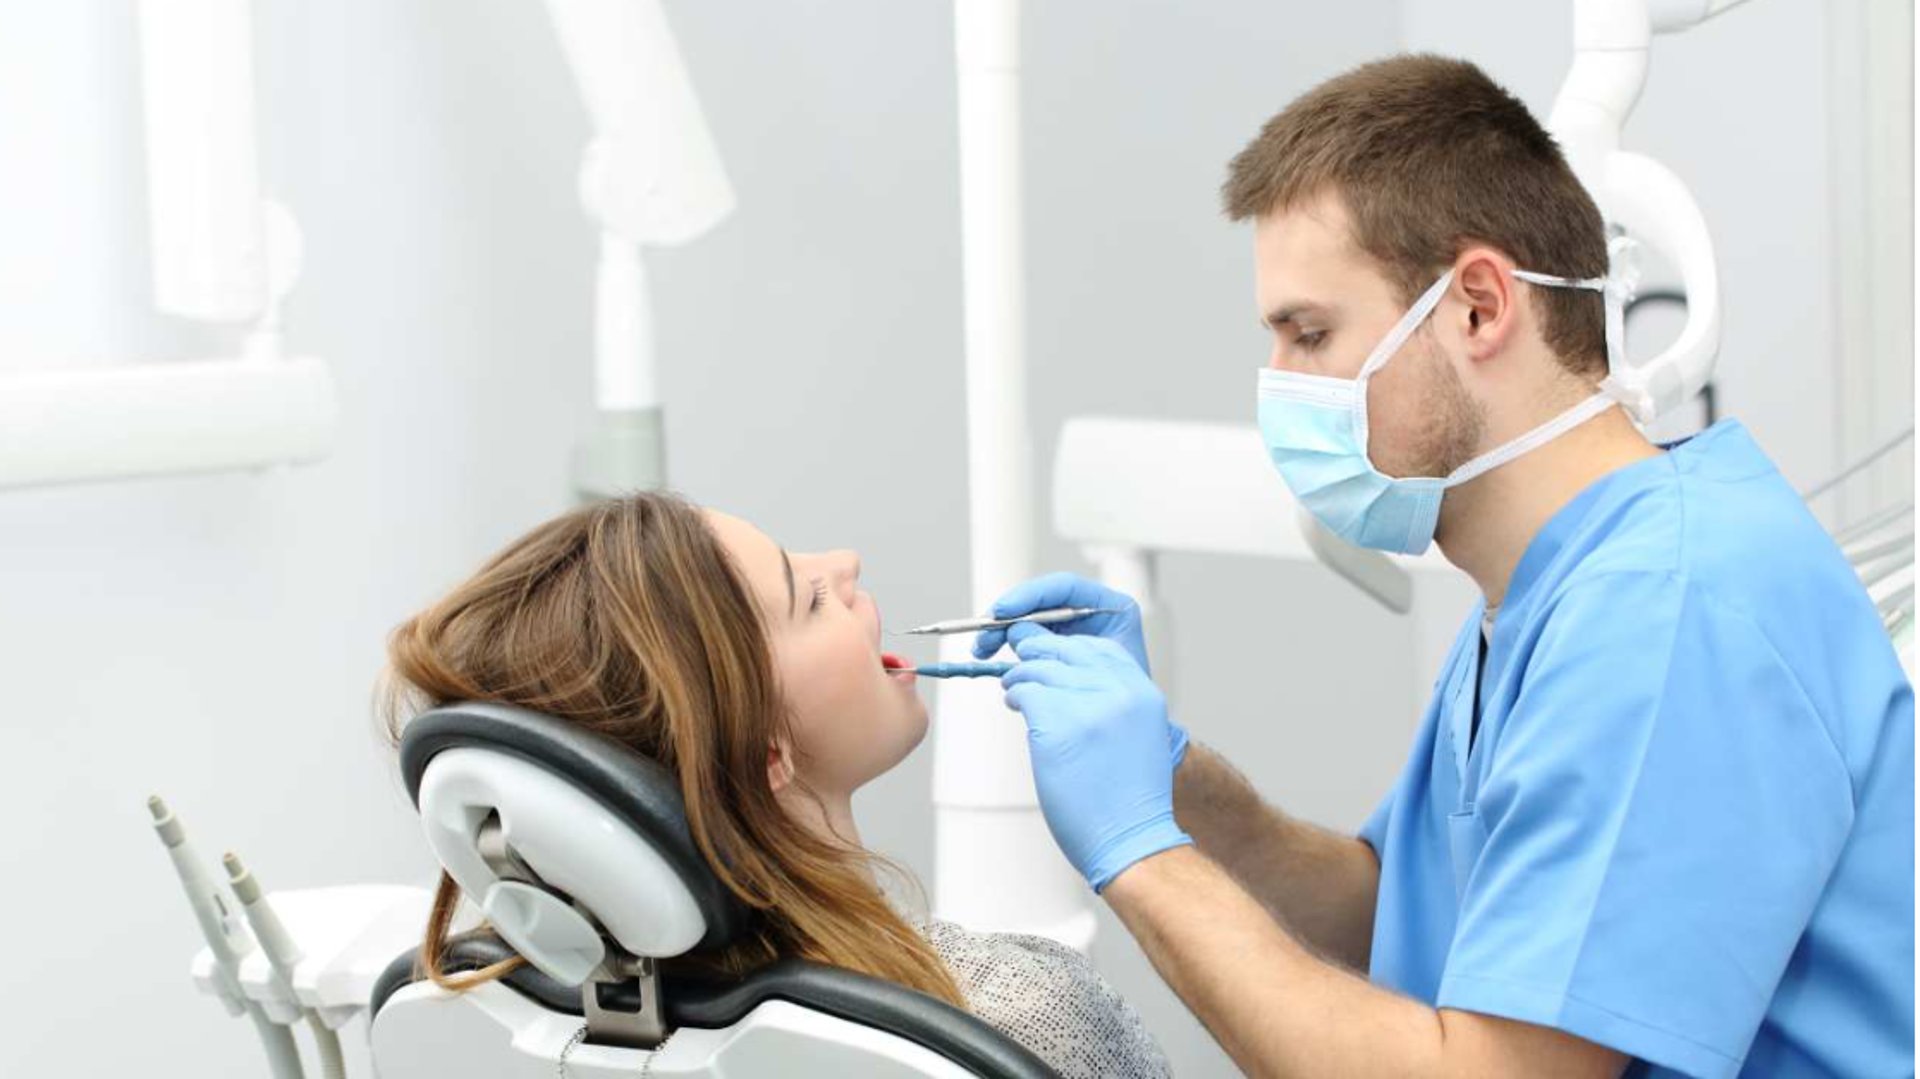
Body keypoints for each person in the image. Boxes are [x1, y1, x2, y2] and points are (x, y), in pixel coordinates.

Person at [976, 54, 1914, 1077]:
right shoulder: (1547, 590)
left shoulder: (1665, 607)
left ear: (1476, 306)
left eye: (1310, 332)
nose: (1278, 387)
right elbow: (1403, 906)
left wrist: (1139, 853)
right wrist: (1175, 777)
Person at [380, 491, 1170, 1078]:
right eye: (811, 597)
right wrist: (1148, 843)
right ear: (765, 755)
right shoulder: (1019, 1014)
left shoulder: (489, 1013)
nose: (847, 563)